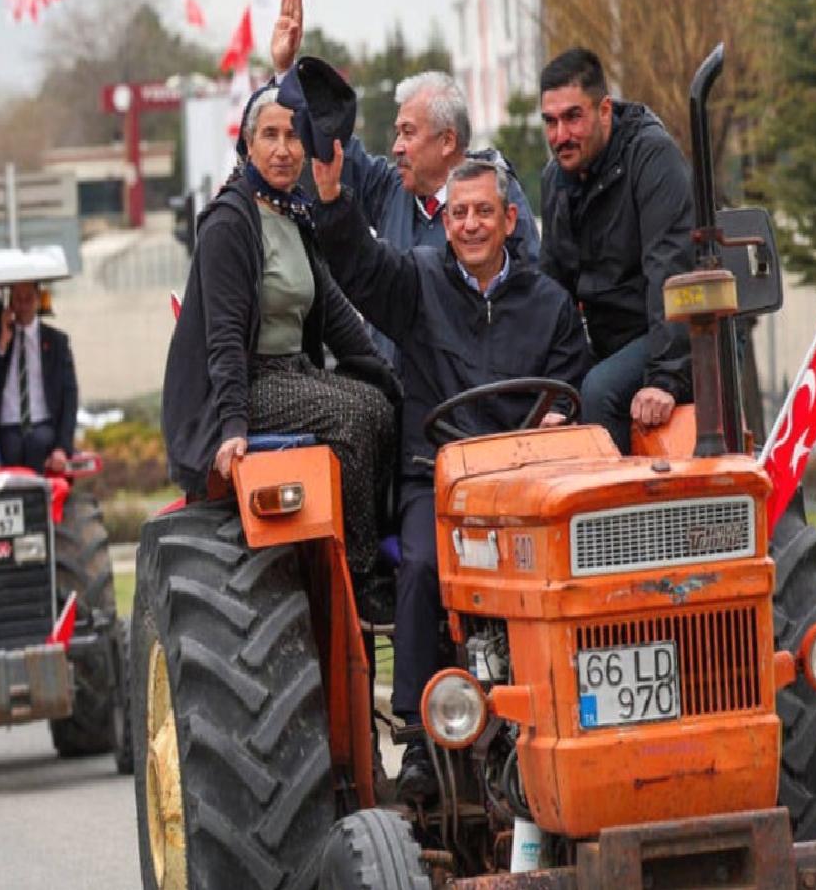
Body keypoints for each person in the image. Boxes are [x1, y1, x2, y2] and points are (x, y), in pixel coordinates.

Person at [313, 147, 592, 803]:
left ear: (509, 221)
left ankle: (565, 709)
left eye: (483, 213)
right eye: (459, 212)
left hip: (525, 485)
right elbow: (360, 265)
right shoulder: (415, 284)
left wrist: (556, 424)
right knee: (420, 568)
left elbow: (571, 386)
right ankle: (417, 740)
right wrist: (331, 199)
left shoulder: (548, 304)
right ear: (444, 223)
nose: (470, 224)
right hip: (435, 476)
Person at [161, 84, 400, 588]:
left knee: (382, 407)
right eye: (269, 135)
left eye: (293, 135)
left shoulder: (294, 213)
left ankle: (382, 540)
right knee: (355, 418)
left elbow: (335, 312)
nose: (283, 148)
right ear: (248, 146)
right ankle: (359, 574)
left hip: (293, 373)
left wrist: (390, 378)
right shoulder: (231, 222)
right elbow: (223, 338)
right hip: (245, 383)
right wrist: (232, 427)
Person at [270, 0, 540, 261]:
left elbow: (529, 283)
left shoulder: (496, 194)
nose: (397, 146)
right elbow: (333, 142)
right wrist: (286, 72)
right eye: (398, 132)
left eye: (408, 133)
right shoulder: (391, 191)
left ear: (447, 140)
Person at [538, 47, 693, 453]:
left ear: (604, 110)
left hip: (680, 330)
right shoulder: (555, 178)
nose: (560, 135)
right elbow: (554, 295)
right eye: (550, 122)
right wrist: (551, 395)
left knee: (600, 389)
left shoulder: (652, 157)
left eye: (573, 117)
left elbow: (670, 271)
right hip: (612, 339)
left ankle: (613, 516)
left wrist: (665, 378)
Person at [0, 281, 80, 474]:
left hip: (41, 423)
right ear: (10, 302)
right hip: (7, 425)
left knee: (38, 443)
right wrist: (2, 344)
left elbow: (70, 396)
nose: (23, 305)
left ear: (37, 300)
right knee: (10, 448)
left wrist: (62, 447)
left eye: (29, 299)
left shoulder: (57, 341)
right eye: (18, 299)